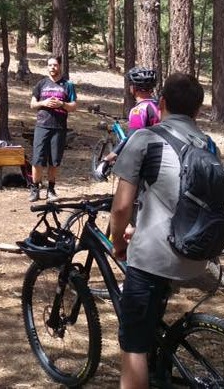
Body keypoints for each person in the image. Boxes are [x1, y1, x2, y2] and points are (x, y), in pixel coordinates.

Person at [109, 73, 213, 389]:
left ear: (162, 102)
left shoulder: (145, 139)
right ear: (198, 110)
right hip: (198, 256)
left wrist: (118, 243)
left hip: (155, 258)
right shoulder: (208, 145)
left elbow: (121, 208)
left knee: (133, 345)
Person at [95, 67, 160, 180]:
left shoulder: (139, 110)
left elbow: (131, 139)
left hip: (148, 163)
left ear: (133, 88)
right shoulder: (160, 105)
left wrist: (108, 158)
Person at [29, 56, 77, 202]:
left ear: (59, 66)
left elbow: (73, 106)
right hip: (42, 126)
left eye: (55, 65)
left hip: (59, 127)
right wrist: (44, 102)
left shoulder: (68, 85)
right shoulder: (41, 84)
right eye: (50, 65)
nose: (52, 68)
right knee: (37, 160)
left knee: (54, 161)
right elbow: (32, 104)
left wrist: (61, 104)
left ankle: (51, 189)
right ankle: (35, 188)